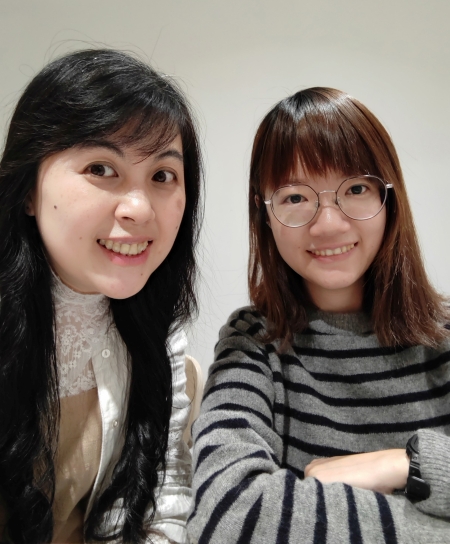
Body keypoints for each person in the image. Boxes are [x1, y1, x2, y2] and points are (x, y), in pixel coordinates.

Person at [188, 87, 450, 543]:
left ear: (389, 198)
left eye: (356, 189)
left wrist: (406, 464)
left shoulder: (443, 336)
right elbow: (225, 516)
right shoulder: (254, 343)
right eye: (295, 198)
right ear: (264, 214)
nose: (328, 224)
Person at [0, 49, 202, 544]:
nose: (139, 209)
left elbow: (163, 496)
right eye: (101, 168)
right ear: (28, 190)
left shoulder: (162, 337)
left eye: (162, 176)